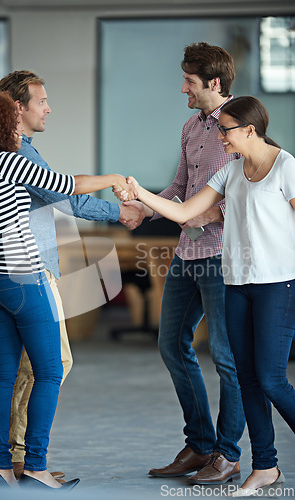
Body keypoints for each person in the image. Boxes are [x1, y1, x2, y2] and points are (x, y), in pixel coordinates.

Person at [0, 91, 135, 489]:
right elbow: (66, 187)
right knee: (50, 371)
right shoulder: (10, 162)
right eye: (10, 121)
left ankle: (0, 467)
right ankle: (36, 467)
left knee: (2, 374)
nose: (16, 127)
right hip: (26, 279)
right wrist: (113, 180)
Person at [122, 95, 295, 496]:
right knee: (249, 380)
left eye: (227, 130)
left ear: (249, 130)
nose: (221, 137)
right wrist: (139, 193)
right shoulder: (231, 173)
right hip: (236, 284)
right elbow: (184, 213)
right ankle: (265, 467)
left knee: (270, 379)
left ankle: (256, 461)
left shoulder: (287, 167)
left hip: (278, 286)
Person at [0, 70, 146, 481]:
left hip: (12, 273)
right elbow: (66, 196)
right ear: (18, 107)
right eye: (41, 101)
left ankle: (14, 457)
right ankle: (25, 459)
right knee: (53, 363)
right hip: (30, 274)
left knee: (26, 367)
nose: (49, 108)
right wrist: (120, 208)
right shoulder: (20, 154)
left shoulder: (9, 152)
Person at [123, 42, 246, 484]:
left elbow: (253, 191)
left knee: (228, 359)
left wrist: (217, 212)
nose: (183, 89)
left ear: (215, 83)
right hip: (187, 254)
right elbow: (180, 186)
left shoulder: (244, 126)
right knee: (172, 344)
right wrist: (145, 209)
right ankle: (199, 445)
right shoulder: (192, 126)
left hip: (223, 257)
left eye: (190, 82)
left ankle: (227, 455)